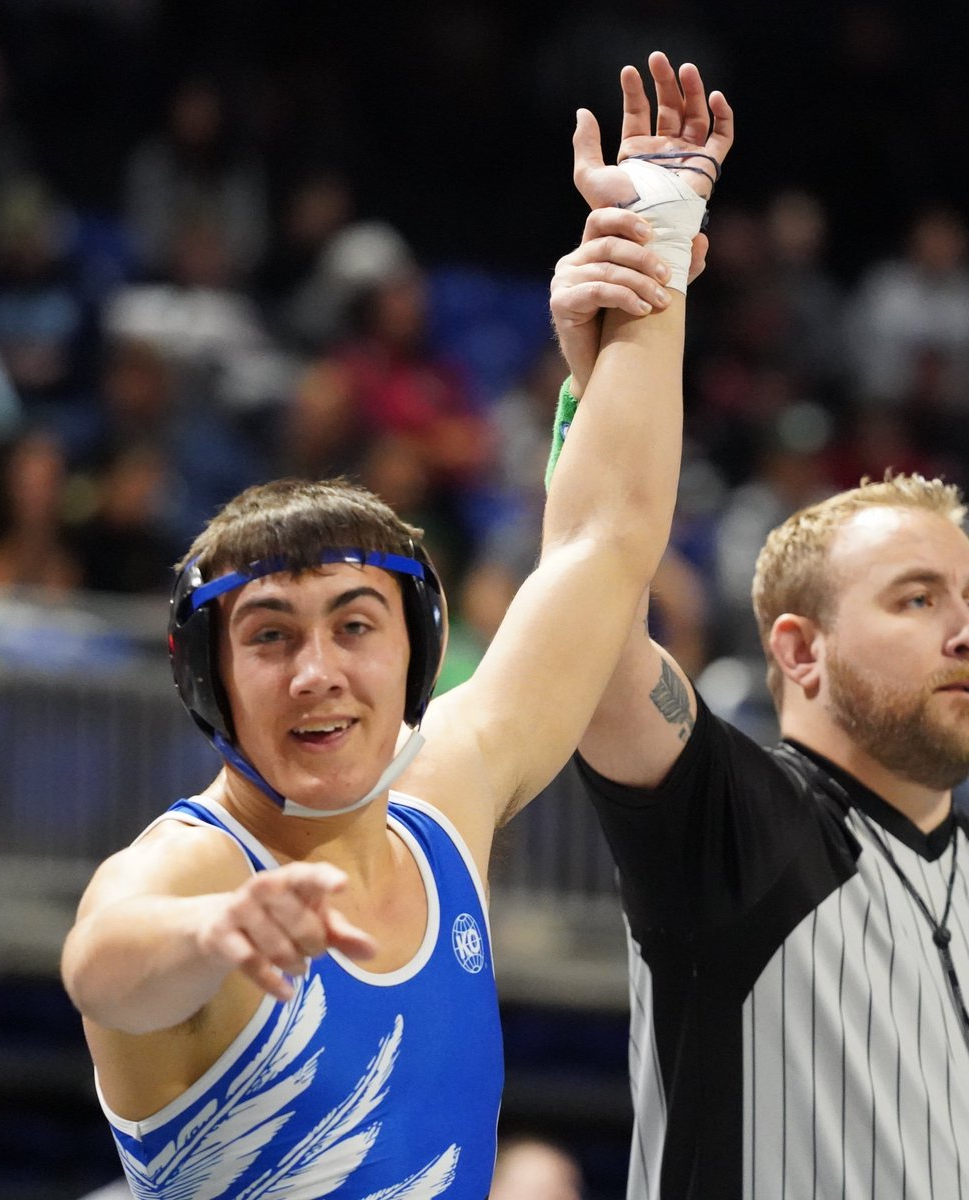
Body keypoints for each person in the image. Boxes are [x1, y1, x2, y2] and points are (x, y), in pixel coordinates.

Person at [59, 53, 733, 1199]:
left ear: (416, 651)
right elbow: (102, 964)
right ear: (212, 678)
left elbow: (603, 546)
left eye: (354, 625)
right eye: (270, 636)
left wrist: (654, 255)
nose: (318, 672)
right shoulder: (196, 867)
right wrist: (220, 932)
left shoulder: (446, 806)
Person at [565, 198, 969, 1199]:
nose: (965, 629)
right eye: (917, 599)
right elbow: (591, 625)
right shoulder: (739, 826)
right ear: (800, 649)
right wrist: (617, 353)